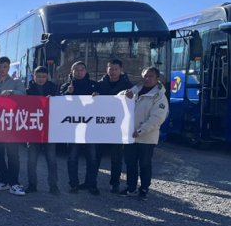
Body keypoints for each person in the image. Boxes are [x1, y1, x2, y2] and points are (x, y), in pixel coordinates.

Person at [119, 67, 169, 201]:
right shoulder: (135, 90)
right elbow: (118, 99)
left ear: (157, 78)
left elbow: (156, 118)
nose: (147, 79)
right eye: (145, 76)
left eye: (150, 76)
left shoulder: (160, 97)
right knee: (130, 163)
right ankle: (131, 188)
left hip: (146, 138)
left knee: (145, 164)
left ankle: (144, 189)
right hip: (131, 136)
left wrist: (141, 131)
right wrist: (125, 94)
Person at [60, 61, 102, 195]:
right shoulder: (66, 86)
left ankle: (91, 184)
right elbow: (58, 103)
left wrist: (98, 97)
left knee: (92, 158)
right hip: (73, 128)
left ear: (86, 71)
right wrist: (68, 93)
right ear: (72, 72)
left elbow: (106, 103)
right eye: (76, 70)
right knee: (72, 158)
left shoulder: (95, 85)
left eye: (82, 69)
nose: (79, 72)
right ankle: (73, 184)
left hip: (91, 128)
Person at [0, 56, 26, 196]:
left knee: (13, 155)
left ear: (9, 68)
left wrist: (11, 93)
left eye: (4, 67)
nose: (2, 69)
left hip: (11, 125)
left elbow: (23, 95)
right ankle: (3, 181)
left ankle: (14, 183)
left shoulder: (16, 82)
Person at [95, 59, 134, 193]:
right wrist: (93, 97)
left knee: (116, 157)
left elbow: (134, 103)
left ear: (121, 70)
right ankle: (92, 182)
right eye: (111, 69)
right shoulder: (99, 85)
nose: (113, 71)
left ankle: (115, 183)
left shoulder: (129, 86)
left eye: (116, 69)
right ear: (107, 70)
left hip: (119, 126)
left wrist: (132, 97)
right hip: (101, 125)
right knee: (96, 155)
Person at [25, 66, 60, 195]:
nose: (41, 79)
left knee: (51, 159)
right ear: (34, 76)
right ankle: (32, 184)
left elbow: (61, 104)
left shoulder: (54, 89)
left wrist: (54, 100)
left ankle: (53, 185)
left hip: (49, 129)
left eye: (43, 77)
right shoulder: (27, 90)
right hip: (33, 129)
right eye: (38, 76)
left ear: (47, 77)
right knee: (31, 160)